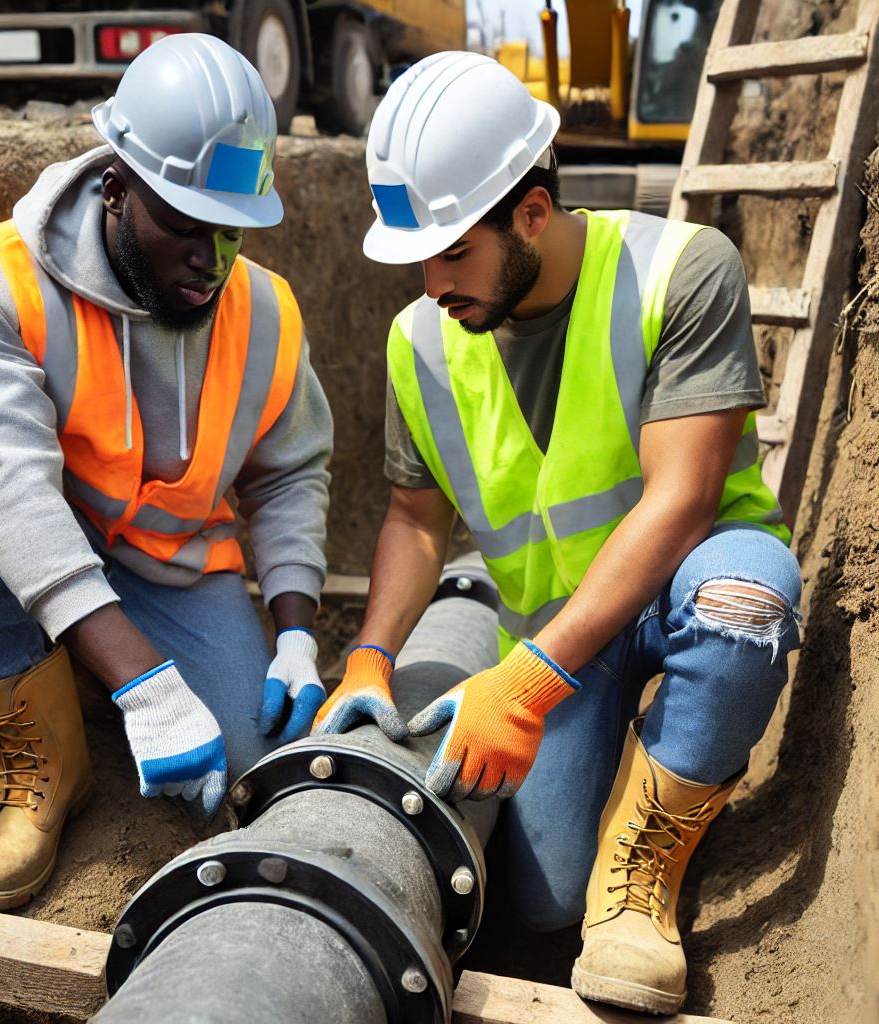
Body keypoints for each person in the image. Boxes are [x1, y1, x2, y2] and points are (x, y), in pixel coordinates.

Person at [313, 52, 801, 1016]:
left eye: (453, 249)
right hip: (554, 635)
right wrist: (370, 655)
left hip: (682, 581)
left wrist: (526, 686)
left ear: (532, 212)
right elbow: (416, 519)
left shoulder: (680, 269)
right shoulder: (420, 339)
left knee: (746, 600)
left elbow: (683, 501)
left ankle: (648, 870)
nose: (430, 279)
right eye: (420, 251)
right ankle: (600, 841)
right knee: (541, 901)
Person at [0, 34, 333, 912]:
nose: (214, 257)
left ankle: (112, 671)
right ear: (116, 185)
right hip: (48, 532)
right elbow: (4, 491)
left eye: (233, 227)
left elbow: (289, 475)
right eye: (186, 225)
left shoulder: (266, 311)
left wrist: (297, 632)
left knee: (254, 766)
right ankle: (49, 762)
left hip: (175, 563)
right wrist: (146, 683)